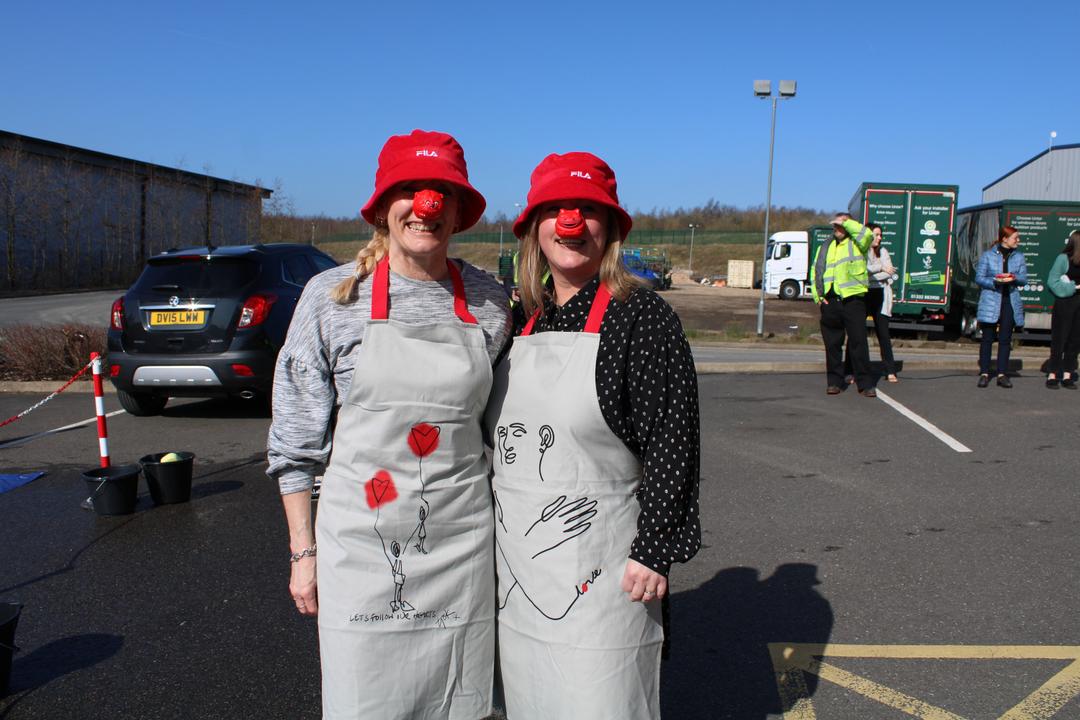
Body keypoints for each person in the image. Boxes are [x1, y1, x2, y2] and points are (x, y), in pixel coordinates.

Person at [266, 130, 512, 720]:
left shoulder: (491, 302)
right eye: (409, 191)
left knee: (460, 701)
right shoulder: (330, 298)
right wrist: (304, 554)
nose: (424, 206)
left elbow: (506, 426)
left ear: (457, 212)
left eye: (441, 194)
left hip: (459, 549)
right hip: (360, 550)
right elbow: (295, 442)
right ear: (383, 207)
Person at [485, 152, 701, 719]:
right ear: (535, 228)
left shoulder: (643, 316)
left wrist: (656, 550)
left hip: (608, 573)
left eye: (587, 211)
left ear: (610, 230)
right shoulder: (522, 320)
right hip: (521, 580)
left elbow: (673, 443)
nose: (571, 223)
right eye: (556, 210)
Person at [811, 212, 876, 396]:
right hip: (830, 301)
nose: (837, 228)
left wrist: (848, 223)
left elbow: (867, 235)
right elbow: (815, 270)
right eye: (836, 225)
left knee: (858, 342)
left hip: (853, 299)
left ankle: (865, 383)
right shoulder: (826, 246)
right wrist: (818, 296)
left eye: (841, 225)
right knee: (832, 344)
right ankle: (834, 382)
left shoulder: (858, 243)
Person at [975, 225, 1027, 388]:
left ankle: (1002, 374)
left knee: (1005, 339)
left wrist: (1013, 277)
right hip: (991, 299)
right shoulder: (988, 255)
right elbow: (979, 278)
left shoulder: (1019, 257)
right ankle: (984, 373)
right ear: (1005, 239)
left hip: (1009, 300)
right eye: (1015, 238)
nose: (1018, 240)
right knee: (987, 339)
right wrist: (995, 281)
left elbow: (1024, 279)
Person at [1045, 230, 1080, 389]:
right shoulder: (1063, 259)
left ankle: (1067, 374)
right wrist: (1073, 287)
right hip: (1065, 303)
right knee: (1060, 339)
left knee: (1075, 340)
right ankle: (1052, 374)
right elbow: (1052, 281)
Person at [866, 223, 899, 382]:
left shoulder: (883, 251)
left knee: (883, 334)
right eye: (876, 234)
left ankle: (890, 370)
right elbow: (863, 274)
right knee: (856, 334)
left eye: (880, 235)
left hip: (882, 295)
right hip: (865, 294)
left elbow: (890, 272)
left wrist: (878, 272)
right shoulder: (862, 251)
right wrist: (880, 268)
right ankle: (851, 370)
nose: (879, 238)